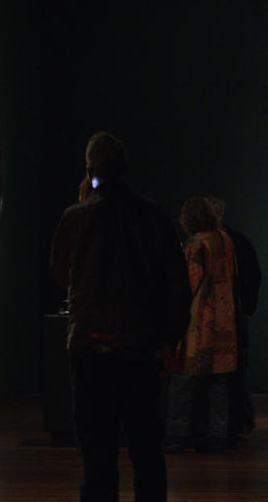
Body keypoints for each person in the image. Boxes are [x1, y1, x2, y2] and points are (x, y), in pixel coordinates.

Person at [50, 132, 190, 502]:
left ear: (90, 170)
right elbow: (176, 282)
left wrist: (83, 204)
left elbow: (62, 273)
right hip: (141, 347)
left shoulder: (76, 217)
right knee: (147, 449)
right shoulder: (153, 216)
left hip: (90, 348)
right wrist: (170, 339)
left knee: (96, 453)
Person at [166, 197, 237, 453]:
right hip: (225, 318)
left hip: (199, 321)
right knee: (218, 381)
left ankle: (177, 434)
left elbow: (189, 283)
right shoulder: (224, 239)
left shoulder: (196, 244)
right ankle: (218, 434)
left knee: (182, 378)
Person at [206, 197, 261, 440]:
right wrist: (248, 308)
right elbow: (254, 276)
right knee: (235, 369)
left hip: (223, 313)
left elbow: (252, 276)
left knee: (228, 369)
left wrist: (247, 308)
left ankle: (231, 423)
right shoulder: (237, 240)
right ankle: (237, 423)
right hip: (232, 311)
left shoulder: (211, 243)